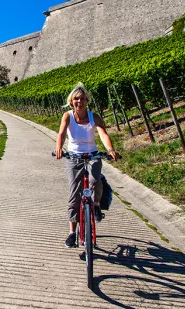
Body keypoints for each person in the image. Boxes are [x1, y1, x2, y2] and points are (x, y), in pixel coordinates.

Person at [54, 83, 120, 248]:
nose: (80, 101)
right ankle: (72, 232)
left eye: (82, 99)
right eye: (76, 98)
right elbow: (62, 133)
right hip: (73, 156)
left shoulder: (94, 117)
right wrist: (59, 148)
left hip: (92, 154)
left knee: (95, 181)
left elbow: (103, 134)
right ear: (71, 101)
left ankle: (96, 205)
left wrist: (110, 149)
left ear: (87, 101)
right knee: (74, 193)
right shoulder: (67, 116)